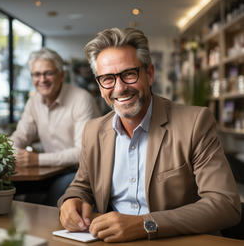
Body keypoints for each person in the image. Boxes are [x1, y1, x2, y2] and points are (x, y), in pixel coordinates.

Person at [58, 28, 241, 242]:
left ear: (149, 74)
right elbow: (82, 186)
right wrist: (71, 200)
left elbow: (225, 204)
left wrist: (146, 224)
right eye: (107, 78)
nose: (119, 88)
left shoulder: (195, 122)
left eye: (128, 74)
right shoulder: (93, 130)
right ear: (99, 85)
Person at [11, 47, 100, 206]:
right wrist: (10, 151)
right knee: (6, 186)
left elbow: (82, 153)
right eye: (37, 74)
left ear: (62, 75)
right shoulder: (33, 102)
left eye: (48, 73)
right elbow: (20, 136)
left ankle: (47, 229)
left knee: (58, 191)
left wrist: (37, 159)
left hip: (83, 171)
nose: (42, 79)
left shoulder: (82, 100)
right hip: (52, 170)